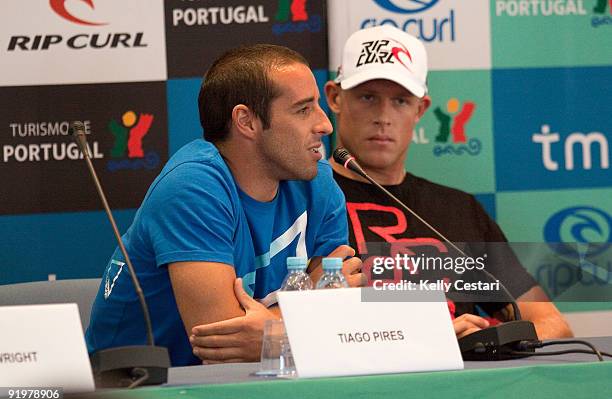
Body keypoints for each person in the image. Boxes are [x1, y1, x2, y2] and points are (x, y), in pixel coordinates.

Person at [86, 44, 363, 366]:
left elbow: (339, 313)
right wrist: (309, 305)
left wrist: (278, 328)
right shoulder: (192, 188)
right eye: (303, 110)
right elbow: (222, 346)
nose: (325, 125)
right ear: (246, 121)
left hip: (264, 384)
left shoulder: (318, 183)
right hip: (139, 389)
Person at [324, 26, 572, 339]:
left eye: (400, 101)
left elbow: (553, 325)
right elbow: (293, 330)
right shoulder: (303, 201)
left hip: (463, 386)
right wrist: (430, 339)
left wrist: (487, 341)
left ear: (421, 109)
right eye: (368, 97)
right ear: (334, 97)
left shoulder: (458, 208)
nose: (383, 116)